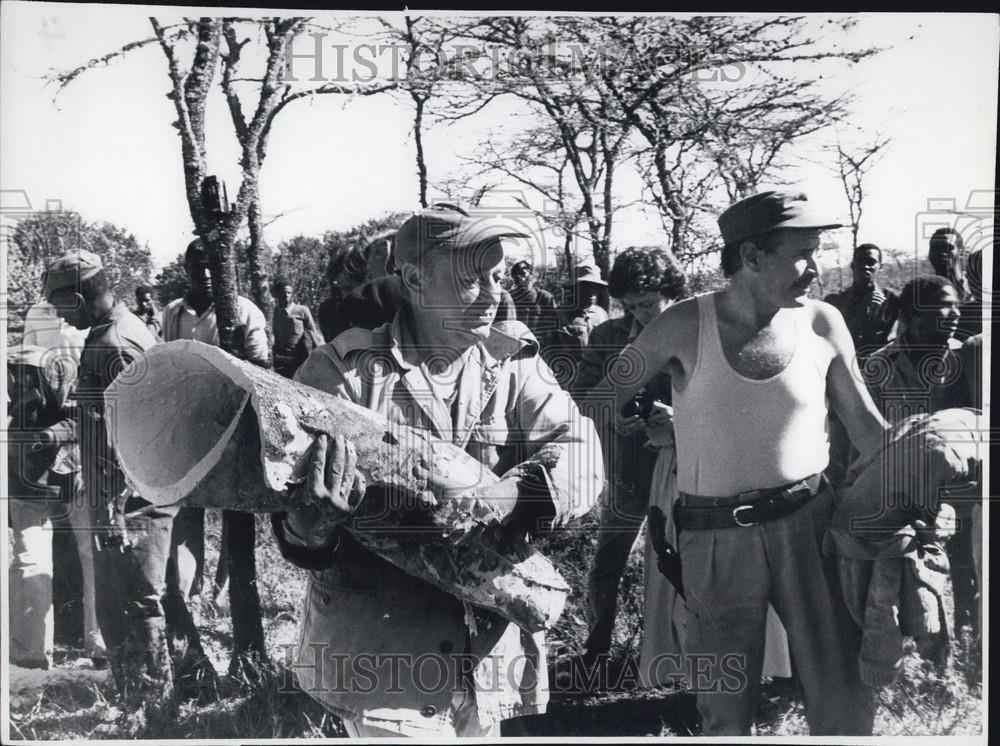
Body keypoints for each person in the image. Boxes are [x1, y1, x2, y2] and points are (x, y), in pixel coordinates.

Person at [271, 203, 604, 737]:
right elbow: (295, 526)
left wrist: (516, 495)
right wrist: (315, 521)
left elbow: (581, 446)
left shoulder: (512, 361)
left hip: (493, 651)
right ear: (414, 280)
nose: (494, 293)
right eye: (472, 279)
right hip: (384, 660)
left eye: (497, 276)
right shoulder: (343, 374)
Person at [610, 191, 884, 735]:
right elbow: (601, 399)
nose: (817, 267)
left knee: (841, 700)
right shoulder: (684, 324)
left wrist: (931, 469)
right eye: (803, 253)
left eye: (819, 250)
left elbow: (869, 430)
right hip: (713, 540)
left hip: (811, 527)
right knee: (724, 712)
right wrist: (638, 441)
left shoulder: (823, 323)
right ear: (753, 256)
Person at [42, 250, 173, 704]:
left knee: (135, 600)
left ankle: (151, 707)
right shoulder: (107, 333)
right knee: (121, 602)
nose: (56, 312)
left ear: (78, 296)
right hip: (114, 491)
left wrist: (116, 510)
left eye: (59, 303)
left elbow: (142, 434)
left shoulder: (116, 342)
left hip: (128, 497)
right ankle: (133, 694)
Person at [160, 238, 270, 679]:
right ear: (186, 268)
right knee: (187, 518)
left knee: (236, 520)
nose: (204, 275)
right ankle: (189, 601)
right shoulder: (173, 313)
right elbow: (165, 361)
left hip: (234, 428)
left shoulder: (243, 311)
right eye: (196, 266)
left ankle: (224, 594)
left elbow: (263, 370)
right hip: (188, 429)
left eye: (211, 266)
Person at [862, 276, 976, 634]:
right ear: (912, 315)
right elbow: (862, 436)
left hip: (958, 490)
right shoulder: (879, 367)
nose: (955, 313)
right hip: (896, 490)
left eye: (958, 304)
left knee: (964, 568)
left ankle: (964, 644)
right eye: (945, 304)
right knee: (898, 575)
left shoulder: (967, 360)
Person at [7, 345, 106, 669]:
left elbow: (83, 420)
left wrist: (47, 437)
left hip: (74, 475)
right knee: (30, 561)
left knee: (93, 557)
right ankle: (30, 655)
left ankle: (101, 646)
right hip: (31, 482)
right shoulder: (22, 379)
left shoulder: (62, 377)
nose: (20, 384)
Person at [823, 243, 900, 484]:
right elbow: (835, 342)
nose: (866, 267)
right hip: (839, 379)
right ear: (852, 265)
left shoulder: (891, 300)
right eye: (861, 262)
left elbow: (894, 343)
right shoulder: (835, 301)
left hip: (876, 382)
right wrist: (865, 313)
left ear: (880, 267)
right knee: (835, 446)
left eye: (872, 262)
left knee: (870, 449)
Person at [543, 263, 610, 389]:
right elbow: (547, 355)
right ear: (574, 288)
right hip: (568, 383)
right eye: (585, 287)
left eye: (595, 287)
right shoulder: (557, 316)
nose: (591, 293)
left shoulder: (601, 314)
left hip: (597, 382)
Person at [270, 276, 323, 378]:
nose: (286, 295)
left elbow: (313, 333)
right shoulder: (274, 312)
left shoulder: (302, 311)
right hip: (280, 359)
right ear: (277, 294)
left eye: (289, 293)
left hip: (299, 359)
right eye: (283, 292)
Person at [508, 259, 558, 339]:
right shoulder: (509, 297)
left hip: (539, 342)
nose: (519, 278)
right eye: (515, 275)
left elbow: (552, 326)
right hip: (515, 341)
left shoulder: (545, 297)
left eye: (522, 274)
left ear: (532, 276)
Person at [928, 227, 971, 301]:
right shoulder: (923, 293)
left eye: (947, 247)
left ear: (961, 253)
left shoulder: (976, 290)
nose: (941, 252)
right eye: (935, 248)